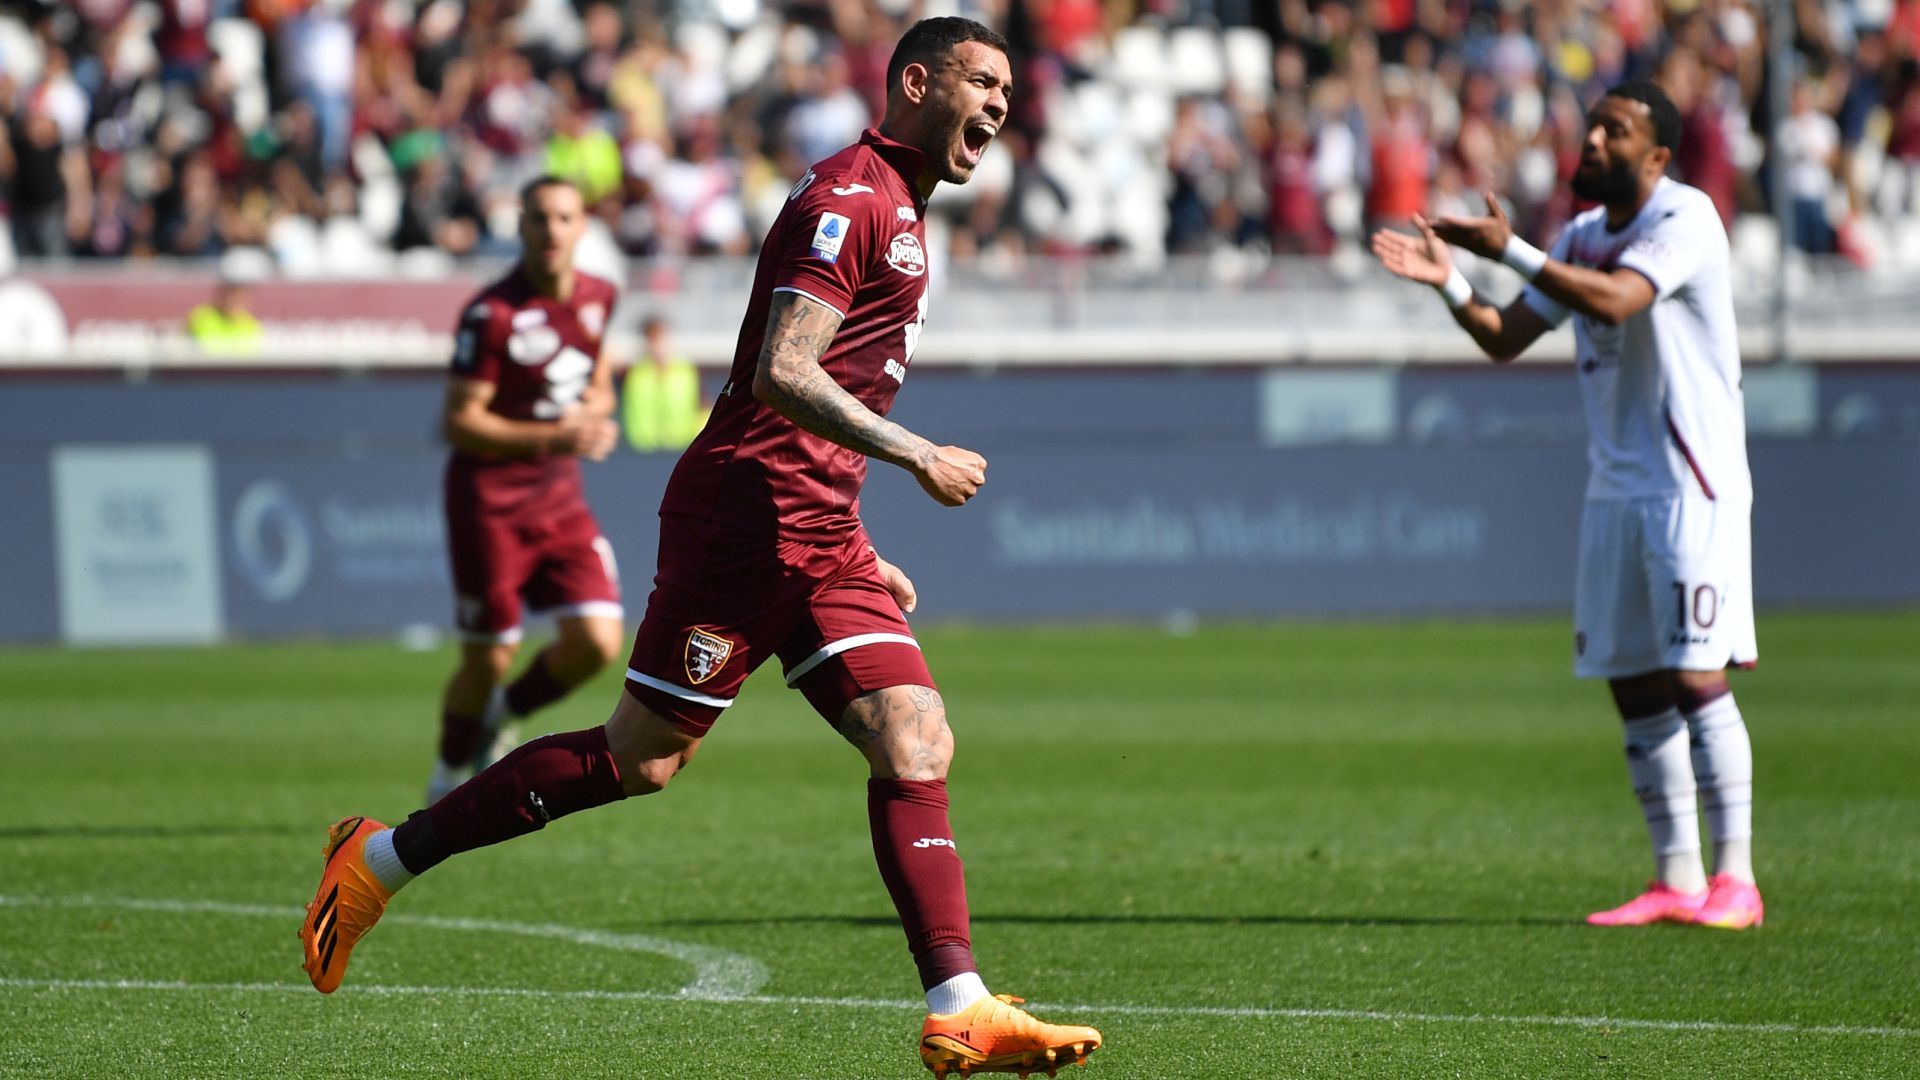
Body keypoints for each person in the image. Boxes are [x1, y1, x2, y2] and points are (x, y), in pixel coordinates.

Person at [300, 19, 1103, 1077]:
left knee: (915, 737)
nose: (1000, 105)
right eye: (981, 82)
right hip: (745, 524)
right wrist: (914, 455)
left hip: (819, 533)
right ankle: (378, 861)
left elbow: (822, 397)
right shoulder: (848, 198)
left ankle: (960, 1004)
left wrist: (855, 528)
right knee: (642, 759)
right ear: (917, 81)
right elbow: (781, 370)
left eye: (1008, 89)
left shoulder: (904, 209)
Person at [1370, 81, 1763, 930]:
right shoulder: (1584, 233)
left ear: (1657, 155)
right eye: (1591, 126)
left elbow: (1622, 298)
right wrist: (1450, 283)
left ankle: (1738, 881)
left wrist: (1511, 250)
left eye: (1613, 131)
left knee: (1698, 676)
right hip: (1615, 490)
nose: (1591, 140)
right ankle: (1678, 879)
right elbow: (1507, 336)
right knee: (1634, 682)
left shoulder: (1685, 219)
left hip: (1691, 484)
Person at [425, 176, 627, 805]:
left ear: (582, 228)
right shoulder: (492, 315)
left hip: (560, 499)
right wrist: (554, 434)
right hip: (489, 502)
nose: (552, 230)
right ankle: (445, 774)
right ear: (521, 228)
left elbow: (596, 376)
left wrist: (596, 409)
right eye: (539, 218)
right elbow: (458, 421)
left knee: (598, 641)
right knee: (488, 656)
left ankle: (500, 714)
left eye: (565, 218)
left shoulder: (600, 296)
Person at [620, 314, 707, 452]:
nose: (659, 344)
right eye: (653, 338)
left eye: (661, 337)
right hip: (639, 452)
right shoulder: (633, 373)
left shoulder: (686, 371)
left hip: (682, 449)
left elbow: (701, 406)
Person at [186, 278, 265, 357]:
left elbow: (251, 353)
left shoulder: (251, 323)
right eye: (232, 295)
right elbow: (209, 350)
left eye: (241, 297)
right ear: (221, 295)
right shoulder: (201, 316)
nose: (234, 301)